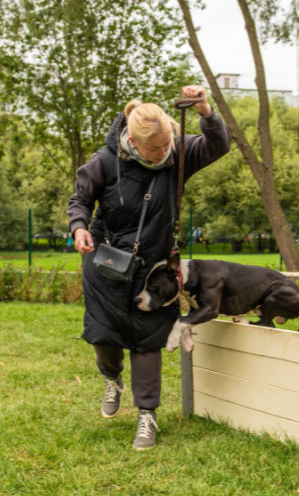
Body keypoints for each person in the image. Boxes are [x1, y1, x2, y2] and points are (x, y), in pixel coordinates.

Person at [66, 86, 230, 450]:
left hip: (154, 269)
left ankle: (146, 416)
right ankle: (112, 378)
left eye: (168, 142)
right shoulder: (106, 161)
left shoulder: (176, 155)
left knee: (148, 341)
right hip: (106, 264)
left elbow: (218, 145)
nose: (164, 151)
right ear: (135, 143)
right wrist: (78, 227)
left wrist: (205, 110)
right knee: (105, 338)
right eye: (155, 148)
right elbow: (80, 199)